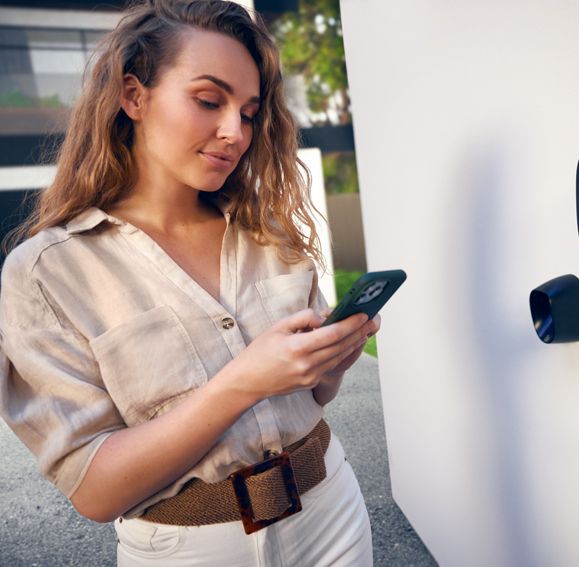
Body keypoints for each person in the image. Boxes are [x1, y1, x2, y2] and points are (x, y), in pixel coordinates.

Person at [0, 1, 378, 565]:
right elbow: (96, 491)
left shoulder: (266, 231)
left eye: (249, 113)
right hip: (188, 549)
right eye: (208, 100)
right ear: (134, 96)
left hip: (333, 514)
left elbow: (314, 396)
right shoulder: (47, 273)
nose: (235, 132)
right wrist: (242, 384)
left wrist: (331, 362)